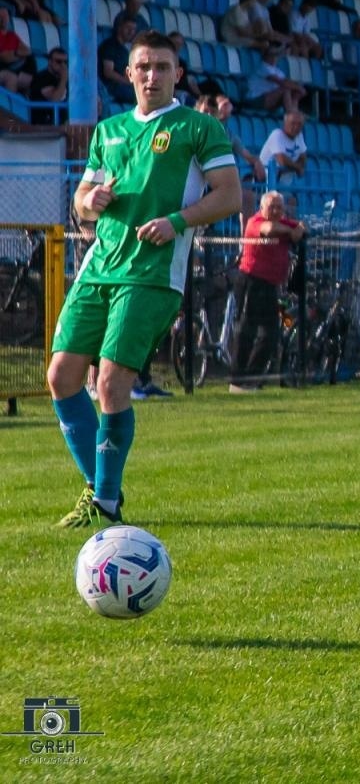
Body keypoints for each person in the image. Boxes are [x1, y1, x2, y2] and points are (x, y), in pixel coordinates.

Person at [47, 29, 242, 527]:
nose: (152, 75)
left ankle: (106, 503)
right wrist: (88, 202)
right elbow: (82, 200)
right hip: (99, 266)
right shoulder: (108, 131)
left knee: (111, 382)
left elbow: (230, 196)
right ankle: (100, 488)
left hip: (151, 274)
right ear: (129, 73)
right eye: (144, 66)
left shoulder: (197, 128)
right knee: (61, 378)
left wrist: (176, 221)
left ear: (177, 74)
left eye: (162, 67)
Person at [230, 191, 303, 393]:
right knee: (246, 330)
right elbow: (269, 229)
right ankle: (237, 381)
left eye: (280, 207)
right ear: (262, 208)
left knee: (269, 334)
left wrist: (297, 229)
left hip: (270, 285)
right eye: (272, 207)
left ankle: (252, 379)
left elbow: (301, 228)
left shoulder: (284, 223)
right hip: (251, 282)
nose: (277, 211)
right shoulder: (256, 222)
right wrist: (291, 232)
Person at [244, 46, 307, 114]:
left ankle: (294, 111)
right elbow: (282, 83)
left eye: (276, 55)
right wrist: (299, 88)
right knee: (285, 89)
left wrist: (298, 88)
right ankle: (290, 114)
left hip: (269, 99)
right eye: (272, 55)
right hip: (256, 100)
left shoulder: (277, 71)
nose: (275, 57)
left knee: (295, 91)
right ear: (266, 56)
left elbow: (287, 82)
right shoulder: (263, 67)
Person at [97, 16, 139, 105]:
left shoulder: (124, 50)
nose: (131, 32)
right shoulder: (110, 46)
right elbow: (108, 72)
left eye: (133, 29)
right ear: (120, 28)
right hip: (110, 87)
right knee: (140, 94)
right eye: (128, 28)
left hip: (123, 86)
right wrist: (127, 82)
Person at [261, 110, 308, 188]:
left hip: (285, 184)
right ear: (285, 123)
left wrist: (295, 166)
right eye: (293, 123)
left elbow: (303, 157)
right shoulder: (276, 135)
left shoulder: (299, 136)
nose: (296, 127)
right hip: (267, 183)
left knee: (292, 200)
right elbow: (282, 160)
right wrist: (298, 168)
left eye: (299, 124)